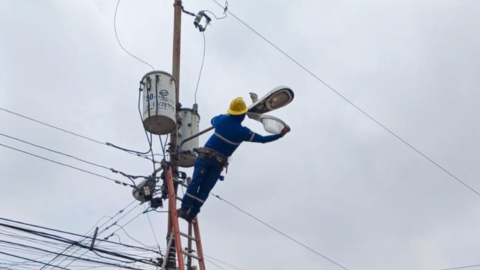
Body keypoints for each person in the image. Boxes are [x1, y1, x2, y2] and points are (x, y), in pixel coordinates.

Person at [177, 97, 290, 221]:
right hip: (218, 164)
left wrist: (228, 115)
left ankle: (184, 209)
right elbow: (262, 140)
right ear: (242, 115)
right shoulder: (243, 132)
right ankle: (191, 214)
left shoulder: (221, 120)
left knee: (195, 183)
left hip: (205, 157)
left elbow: (212, 120)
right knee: (205, 189)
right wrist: (279, 135)